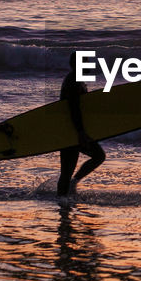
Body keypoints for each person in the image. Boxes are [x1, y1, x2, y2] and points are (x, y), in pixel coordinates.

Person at [57, 51, 105, 206]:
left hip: (70, 130)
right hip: (71, 132)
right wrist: (80, 132)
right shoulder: (74, 82)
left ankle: (65, 197)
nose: (90, 64)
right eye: (86, 62)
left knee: (68, 171)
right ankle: (63, 203)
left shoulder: (76, 79)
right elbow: (74, 108)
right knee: (97, 156)